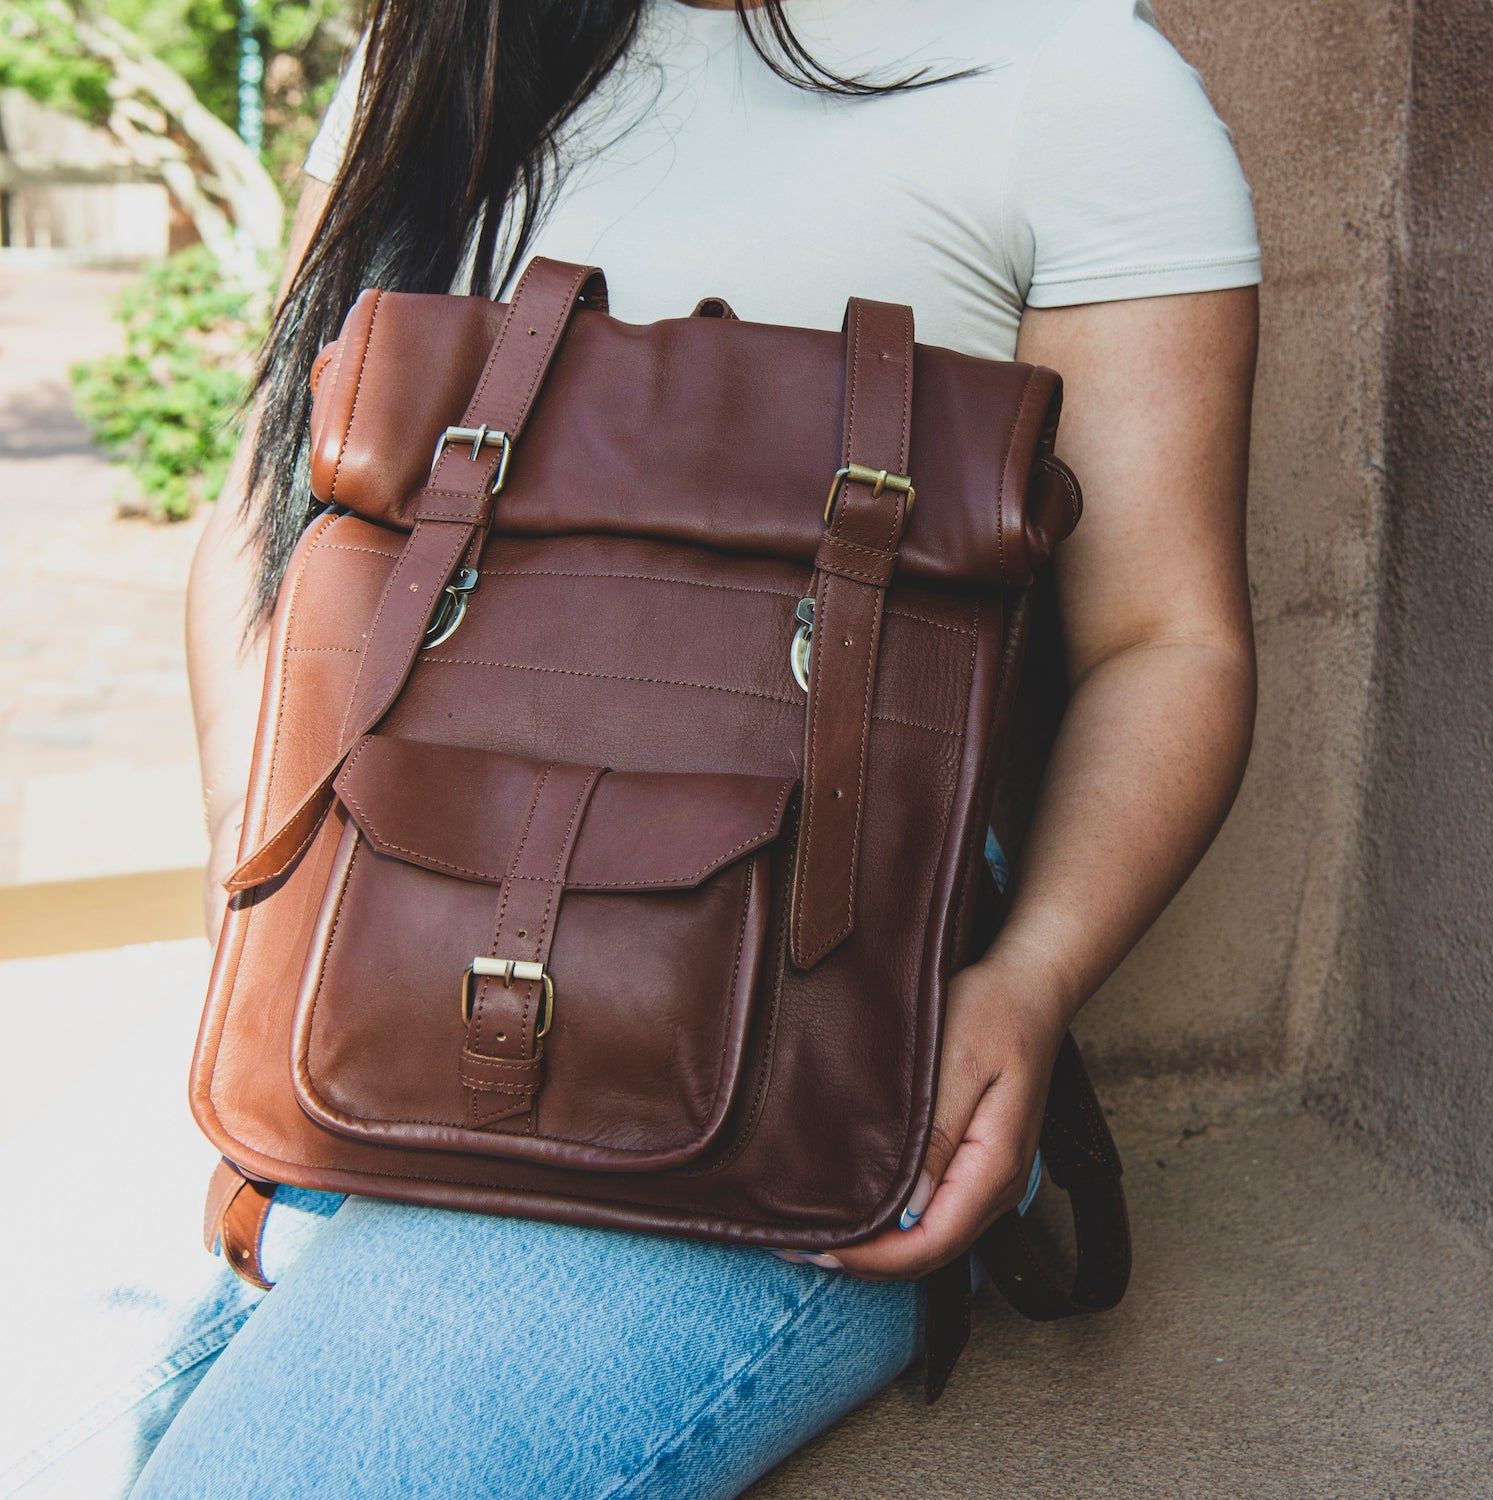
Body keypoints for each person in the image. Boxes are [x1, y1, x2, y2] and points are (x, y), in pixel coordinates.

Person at [0, 0, 1260, 1495]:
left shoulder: (1074, 77)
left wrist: (1029, 981)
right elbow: (265, 526)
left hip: (804, 1000)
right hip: (384, 928)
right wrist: (252, 879)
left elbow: (1166, 641)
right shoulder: (447, 53)